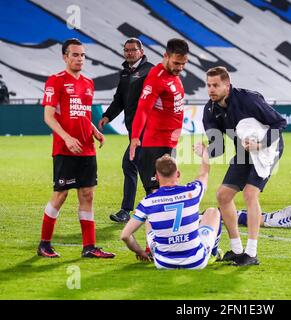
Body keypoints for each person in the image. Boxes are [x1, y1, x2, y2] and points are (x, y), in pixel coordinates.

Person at [37, 38, 115, 258]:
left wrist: (94, 130)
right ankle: (44, 244)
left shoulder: (88, 83)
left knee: (87, 194)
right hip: (65, 149)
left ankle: (89, 247)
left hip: (87, 149)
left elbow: (82, 113)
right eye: (75, 55)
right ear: (65, 56)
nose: (80, 59)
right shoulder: (56, 81)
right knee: (60, 195)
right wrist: (66, 137)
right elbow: (48, 116)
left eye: (82, 55)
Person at [202, 66, 287, 266]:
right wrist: (205, 151)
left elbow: (280, 123)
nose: (211, 89)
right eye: (208, 85)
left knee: (250, 194)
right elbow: (219, 147)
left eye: (216, 85)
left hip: (269, 148)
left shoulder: (249, 99)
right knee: (223, 195)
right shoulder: (210, 110)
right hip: (243, 151)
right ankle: (237, 250)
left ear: (227, 85)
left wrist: (260, 144)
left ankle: (251, 253)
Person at [120, 143, 222, 269]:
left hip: (164, 263)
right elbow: (204, 174)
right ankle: (213, 254)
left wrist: (139, 252)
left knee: (148, 220)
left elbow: (125, 235)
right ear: (178, 174)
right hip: (196, 261)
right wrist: (205, 153)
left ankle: (153, 250)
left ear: (156, 177)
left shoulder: (148, 202)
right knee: (213, 212)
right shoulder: (192, 191)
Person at [98, 38, 154, 223]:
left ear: (141, 51)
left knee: (131, 165)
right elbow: (119, 100)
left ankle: (127, 210)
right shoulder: (125, 74)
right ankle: (153, 207)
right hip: (134, 130)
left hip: (148, 130)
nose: (129, 53)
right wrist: (107, 116)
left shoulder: (150, 71)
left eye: (133, 50)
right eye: (126, 50)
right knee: (142, 167)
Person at [129, 38, 189, 196]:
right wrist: (135, 138)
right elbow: (142, 109)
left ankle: (164, 220)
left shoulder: (174, 76)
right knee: (156, 193)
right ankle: (151, 220)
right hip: (155, 143)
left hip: (169, 143)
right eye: (176, 63)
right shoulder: (156, 78)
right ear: (166, 56)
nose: (180, 68)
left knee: (170, 189)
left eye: (183, 63)